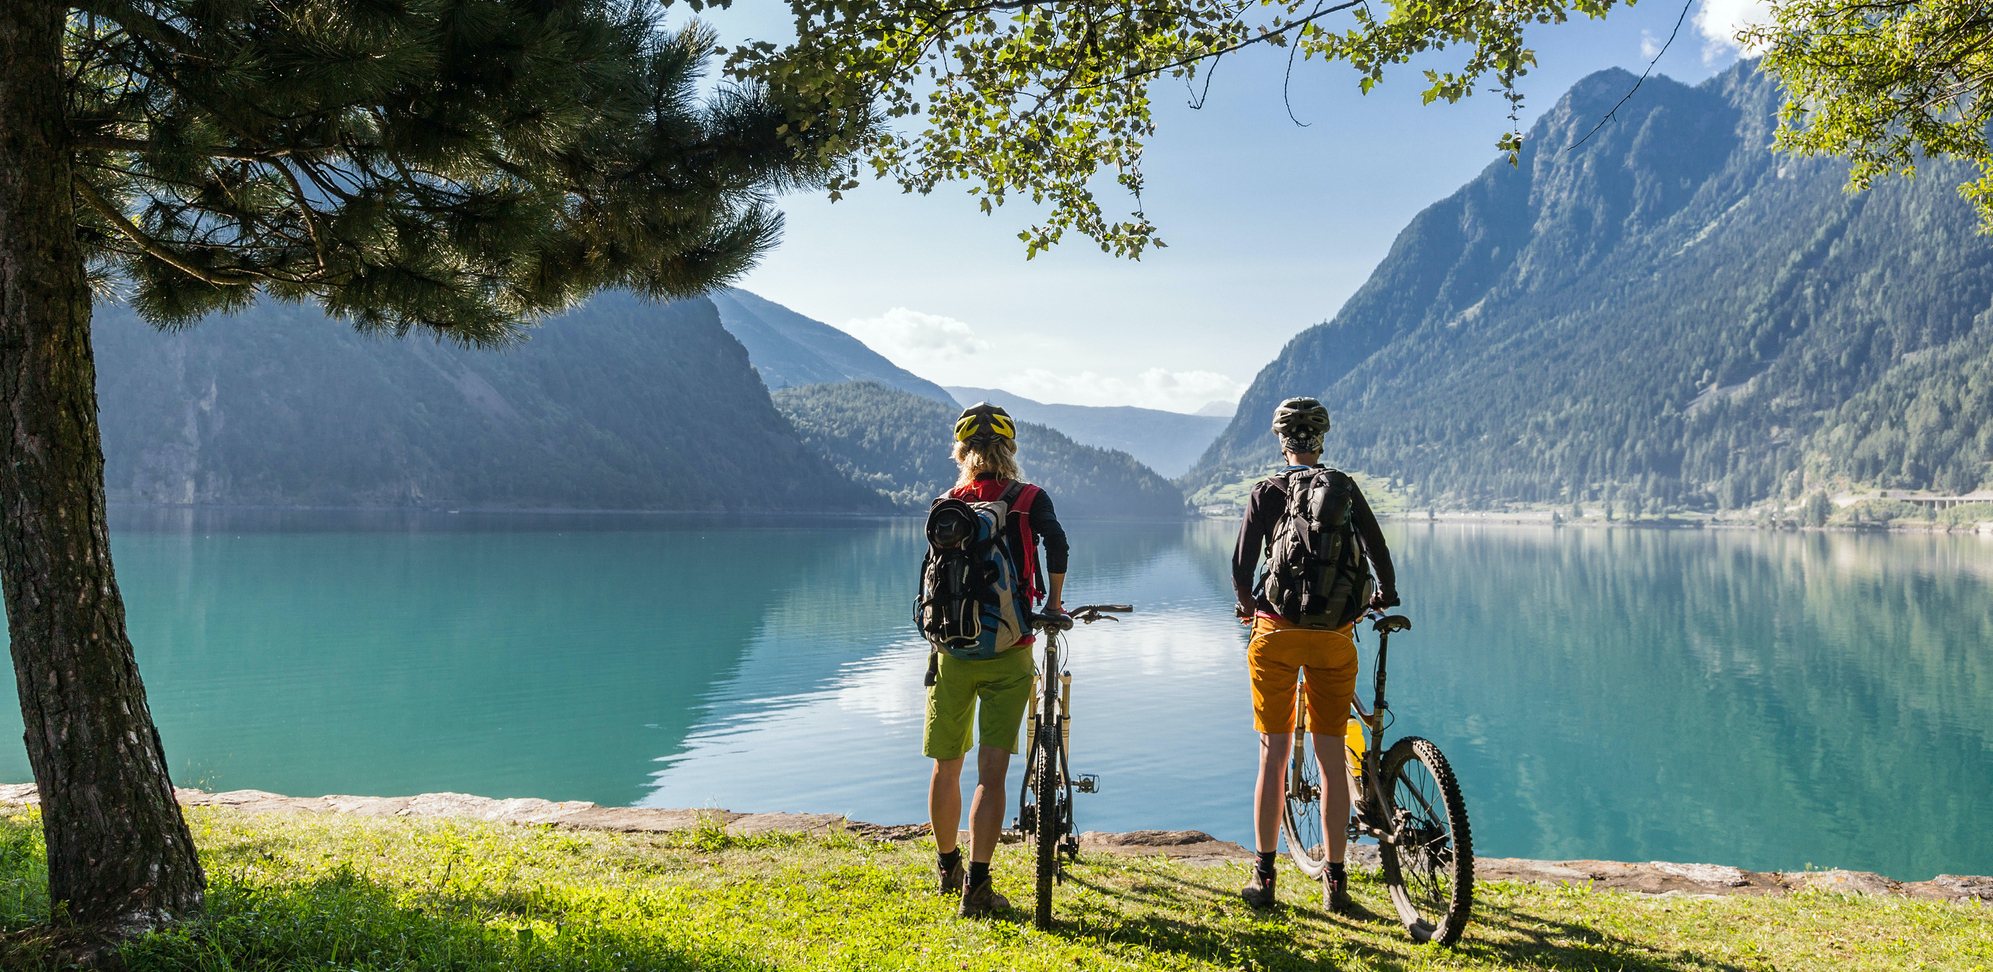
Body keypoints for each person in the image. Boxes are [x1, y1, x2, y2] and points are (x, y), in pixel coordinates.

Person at [1231, 396, 1398, 913]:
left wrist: (1247, 608)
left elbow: (1241, 568)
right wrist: (1382, 596)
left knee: (1273, 755)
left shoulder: (1266, 491)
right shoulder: (1343, 488)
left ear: (1282, 441)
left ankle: (1264, 879)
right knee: (1331, 760)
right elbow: (1378, 554)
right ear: (1322, 440)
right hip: (1333, 638)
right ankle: (1336, 885)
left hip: (1275, 634)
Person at [925, 402, 1068, 917]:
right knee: (991, 772)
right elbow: (1058, 545)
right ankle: (978, 888)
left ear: (961, 453)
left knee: (947, 767)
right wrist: (1052, 603)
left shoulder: (949, 503)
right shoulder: (1028, 498)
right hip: (1011, 650)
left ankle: (947, 870)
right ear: (1009, 451)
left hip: (951, 651)